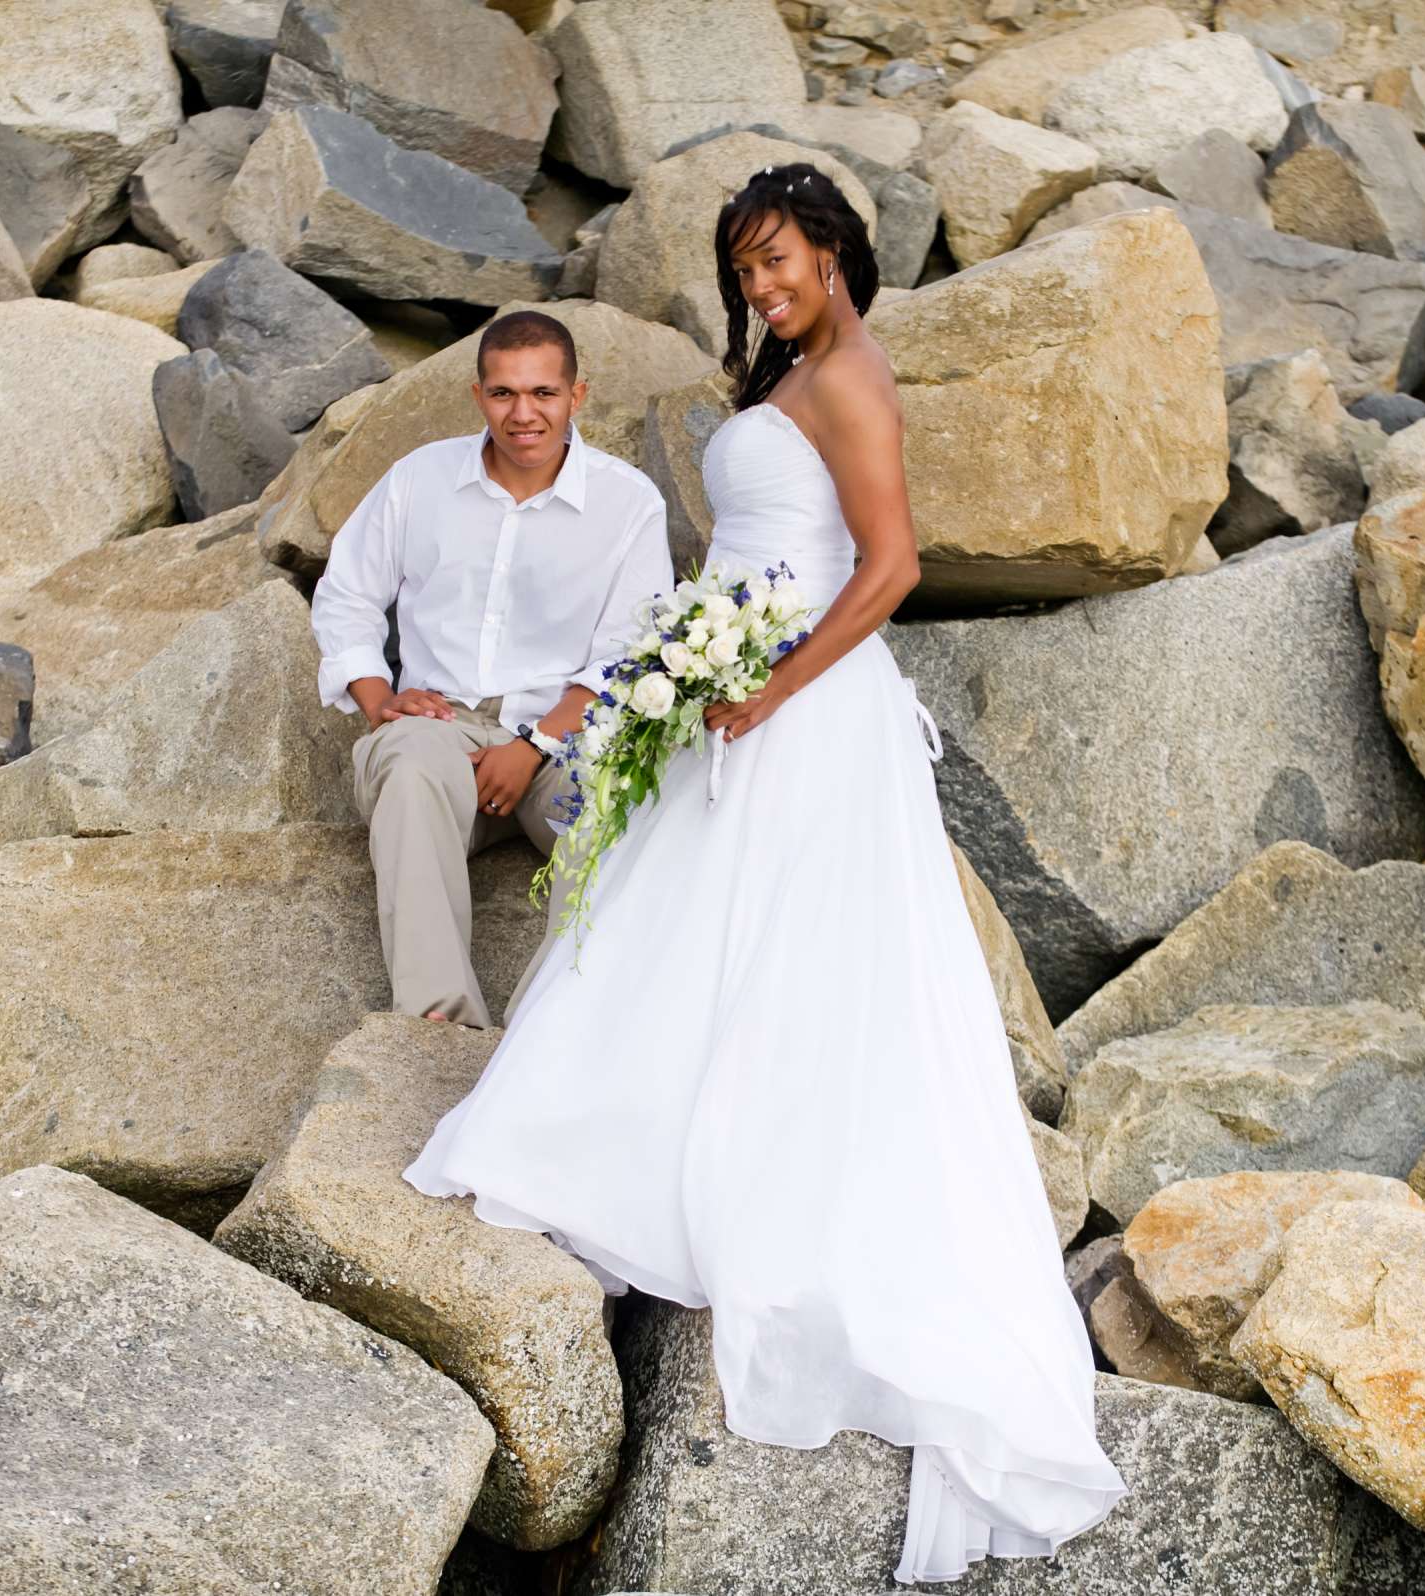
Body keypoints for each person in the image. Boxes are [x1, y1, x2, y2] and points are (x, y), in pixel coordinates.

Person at [403, 166, 1125, 1582]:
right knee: (671, 927)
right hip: (734, 682)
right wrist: (696, 663)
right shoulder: (797, 371)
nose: (763, 289)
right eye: (747, 271)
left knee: (772, 945)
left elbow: (893, 564)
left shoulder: (852, 374)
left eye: (780, 262)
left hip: (799, 705)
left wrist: (772, 686)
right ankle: (621, 1148)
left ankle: (716, 1182)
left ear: (840, 253)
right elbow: (760, 548)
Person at [310, 310, 672, 1029]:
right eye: (504, 394)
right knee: (408, 767)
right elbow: (347, 595)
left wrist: (534, 745)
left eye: (543, 393)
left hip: (563, 740)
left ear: (578, 397)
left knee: (616, 817)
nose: (524, 414)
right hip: (441, 726)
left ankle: (553, 1027)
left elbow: (631, 652)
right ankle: (441, 1021)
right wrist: (380, 699)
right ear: (479, 397)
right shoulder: (420, 479)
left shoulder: (628, 503)